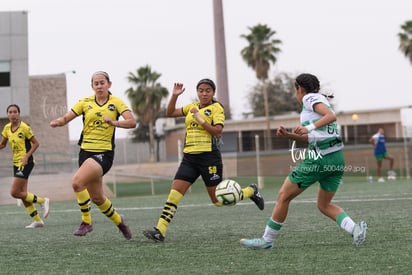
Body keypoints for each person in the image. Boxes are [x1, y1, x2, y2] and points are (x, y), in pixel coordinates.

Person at [240, 73, 367, 250]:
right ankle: (355, 229)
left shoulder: (309, 97)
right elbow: (313, 137)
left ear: (299, 88)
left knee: (283, 196)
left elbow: (331, 116)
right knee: (324, 205)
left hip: (319, 159)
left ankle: (267, 240)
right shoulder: (319, 100)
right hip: (336, 158)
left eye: (295, 90)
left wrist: (307, 127)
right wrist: (290, 135)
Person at [143, 78, 264, 242]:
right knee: (174, 195)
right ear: (197, 92)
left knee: (218, 201)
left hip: (209, 158)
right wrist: (174, 96)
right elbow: (170, 113)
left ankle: (250, 191)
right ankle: (160, 231)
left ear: (213, 92)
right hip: (189, 158)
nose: (204, 93)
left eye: (208, 90)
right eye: (201, 90)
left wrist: (200, 119)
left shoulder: (217, 108)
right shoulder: (192, 107)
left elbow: (218, 132)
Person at [49, 71, 136, 240]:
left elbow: (132, 122)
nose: (99, 86)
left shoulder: (116, 103)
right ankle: (120, 222)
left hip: (103, 154)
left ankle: (86, 222)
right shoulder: (85, 102)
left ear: (109, 84)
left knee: (76, 182)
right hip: (85, 152)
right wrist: (58, 122)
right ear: (92, 86)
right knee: (97, 198)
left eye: (102, 82)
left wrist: (114, 122)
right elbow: (66, 117)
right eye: (96, 83)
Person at [0, 104, 50, 228]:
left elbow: (36, 144)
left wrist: (26, 156)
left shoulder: (24, 127)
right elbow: (2, 144)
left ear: (19, 113)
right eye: (10, 112)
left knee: (14, 192)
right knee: (23, 194)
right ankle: (38, 220)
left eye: (15, 111)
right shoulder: (6, 128)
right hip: (16, 163)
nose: (13, 114)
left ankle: (43, 201)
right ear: (7, 114)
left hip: (26, 162)